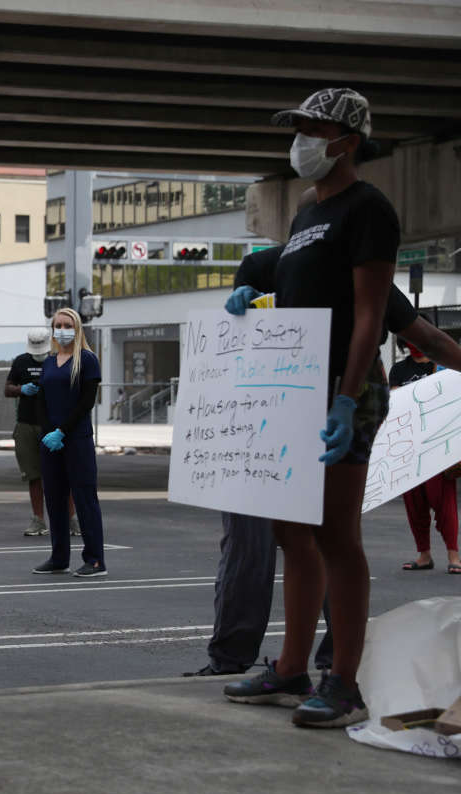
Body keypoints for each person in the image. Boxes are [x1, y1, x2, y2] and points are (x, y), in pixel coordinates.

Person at [221, 88, 397, 727]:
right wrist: (248, 293)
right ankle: (292, 668)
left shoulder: (367, 209)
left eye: (312, 129)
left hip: (342, 390)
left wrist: (347, 400)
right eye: (296, 129)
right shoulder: (303, 215)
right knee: (289, 532)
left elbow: (369, 317)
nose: (300, 141)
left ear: (347, 141)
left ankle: (343, 686)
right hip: (294, 391)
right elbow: (293, 297)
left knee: (336, 536)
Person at [31, 307, 107, 578]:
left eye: (67, 324)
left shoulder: (87, 360)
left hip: (77, 440)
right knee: (54, 499)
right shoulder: (50, 362)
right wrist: (47, 433)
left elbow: (86, 402)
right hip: (51, 443)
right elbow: (42, 399)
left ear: (76, 328)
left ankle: (95, 560)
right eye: (58, 324)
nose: (62, 329)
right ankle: (59, 557)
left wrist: (62, 431)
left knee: (85, 498)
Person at [391, 342, 460, 574]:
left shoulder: (442, 368)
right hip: (408, 446)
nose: (414, 347)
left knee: (443, 501)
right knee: (414, 502)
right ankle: (424, 554)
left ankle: (454, 554)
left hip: (437, 446)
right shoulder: (399, 370)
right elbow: (394, 404)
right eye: (408, 342)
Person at [5, 328, 50, 536]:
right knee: (33, 475)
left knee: (62, 475)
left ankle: (71, 519)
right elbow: (8, 389)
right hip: (26, 423)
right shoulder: (21, 361)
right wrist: (22, 389)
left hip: (52, 423)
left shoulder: (56, 361)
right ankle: (38, 519)